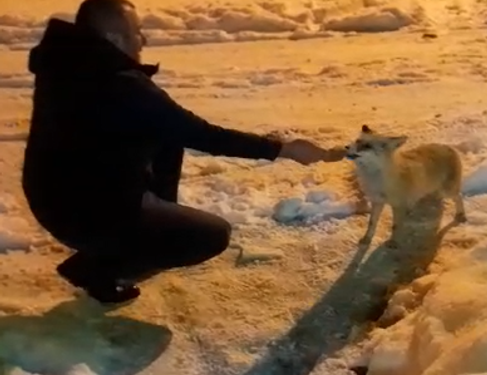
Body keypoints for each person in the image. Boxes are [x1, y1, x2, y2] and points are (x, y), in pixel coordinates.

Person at [23, 0, 344, 306]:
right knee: (211, 235)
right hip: (83, 213)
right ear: (112, 37)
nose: (143, 38)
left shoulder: (67, 64)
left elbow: (169, 127)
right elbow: (203, 134)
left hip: (54, 196)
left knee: (166, 135)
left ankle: (117, 246)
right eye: (137, 31)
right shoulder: (120, 84)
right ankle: (101, 267)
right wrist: (285, 150)